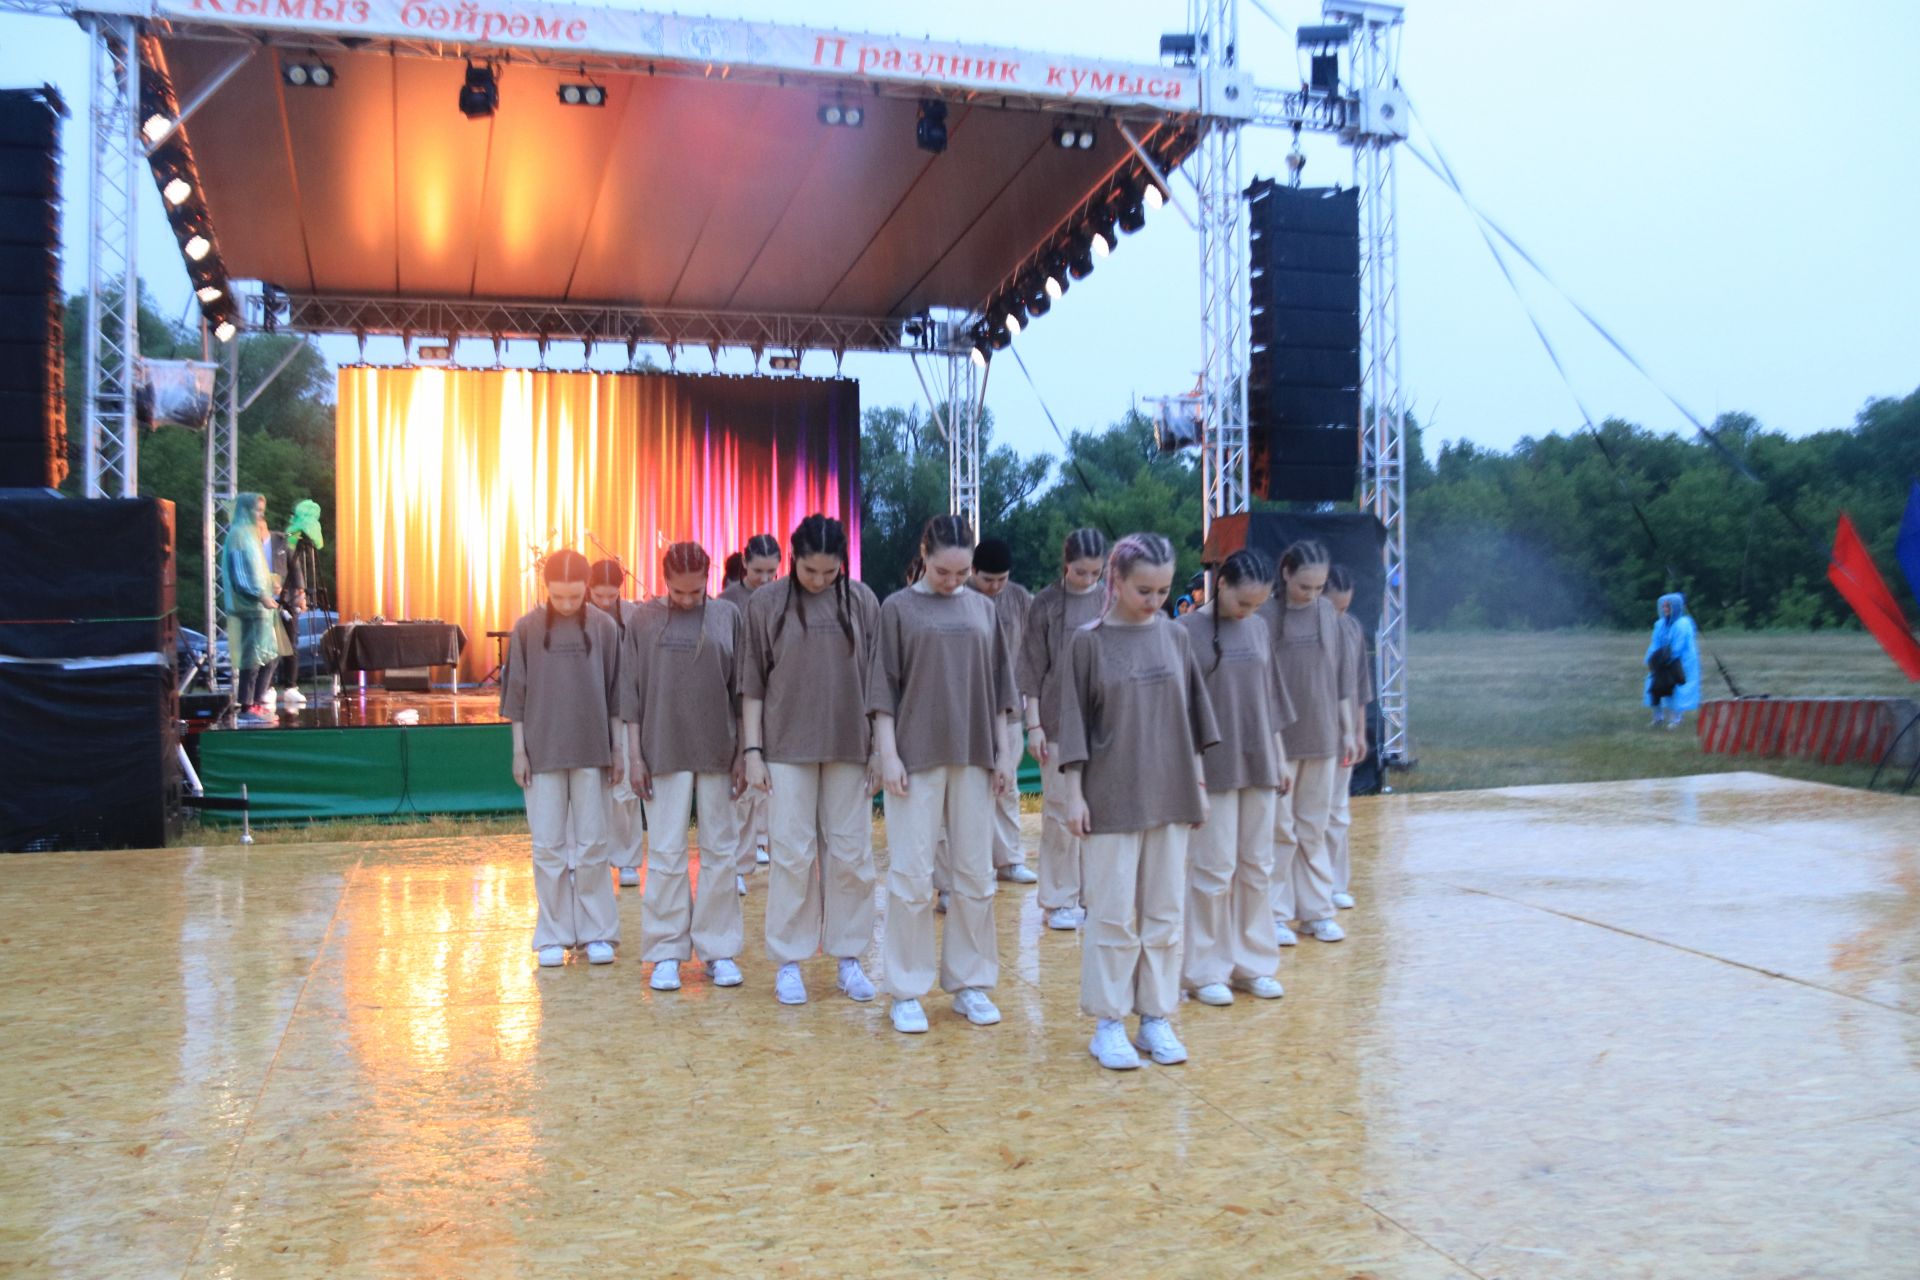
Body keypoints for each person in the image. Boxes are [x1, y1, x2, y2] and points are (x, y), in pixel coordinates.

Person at [1057, 533, 1220, 1070]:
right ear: (1116, 582)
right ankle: (1109, 1022)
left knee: (1165, 911)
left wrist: (1198, 786)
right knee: (1111, 913)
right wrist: (1075, 796)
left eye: (1163, 591)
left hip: (1171, 794)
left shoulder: (1176, 639)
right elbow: (1074, 727)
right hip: (1110, 797)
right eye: (1144, 590)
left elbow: (1193, 721)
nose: (1154, 601)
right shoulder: (1088, 642)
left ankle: (1155, 1017)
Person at [869, 516, 1021, 1034]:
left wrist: (1003, 755)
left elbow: (1001, 690)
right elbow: (882, 691)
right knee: (911, 877)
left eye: (962, 572)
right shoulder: (897, 609)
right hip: (915, 757)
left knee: (975, 877)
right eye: (942, 571)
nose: (953, 581)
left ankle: (971, 982)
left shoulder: (983, 608)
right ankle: (906, 988)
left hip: (975, 755)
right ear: (924, 554)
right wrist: (887, 755)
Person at [740, 514, 881, 1007]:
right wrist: (752, 751)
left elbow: (880, 681)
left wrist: (882, 747)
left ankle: (849, 957)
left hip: (851, 745)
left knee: (851, 854)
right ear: (792, 559)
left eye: (829, 571)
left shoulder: (862, 600)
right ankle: (789, 961)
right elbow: (753, 684)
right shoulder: (765, 604)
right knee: (792, 855)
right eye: (810, 571)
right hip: (785, 747)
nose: (820, 580)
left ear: (843, 563)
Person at [625, 542, 748, 993]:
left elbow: (741, 692)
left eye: (697, 591)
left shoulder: (728, 617)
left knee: (720, 852)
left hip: (718, 748)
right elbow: (630, 695)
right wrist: (634, 756)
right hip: (662, 748)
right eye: (679, 592)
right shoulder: (642, 620)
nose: (689, 599)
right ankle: (665, 951)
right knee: (665, 854)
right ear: (664, 582)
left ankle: (718, 950)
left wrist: (744, 752)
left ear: (709, 581)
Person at [1178, 549, 1293, 1007]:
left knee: (1257, 867)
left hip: (1260, 760)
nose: (1249, 612)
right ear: (1219, 584)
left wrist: (1279, 756)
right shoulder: (1184, 631)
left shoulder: (1260, 629)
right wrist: (1192, 772)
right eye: (1243, 602)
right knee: (1212, 869)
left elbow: (1269, 697)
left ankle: (1253, 964)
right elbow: (1179, 709)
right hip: (1212, 765)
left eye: (1258, 604)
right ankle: (1204, 969)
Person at [503, 549, 624, 968]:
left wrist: (619, 749)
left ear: (586, 589)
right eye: (560, 597)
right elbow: (515, 697)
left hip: (592, 749)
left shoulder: (606, 628)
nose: (569, 604)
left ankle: (597, 931)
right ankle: (553, 931)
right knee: (548, 846)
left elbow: (616, 694)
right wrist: (520, 751)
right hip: (543, 750)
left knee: (593, 844)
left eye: (575, 596)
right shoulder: (526, 630)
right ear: (546, 589)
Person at [1260, 541, 1357, 947]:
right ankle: (1276, 913)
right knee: (1280, 831)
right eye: (1305, 587)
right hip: (1279, 740)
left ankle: (1316, 911)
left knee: (1313, 829)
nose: (1313, 595)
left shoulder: (1327, 616)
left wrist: (1348, 729)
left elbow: (1339, 680)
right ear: (1286, 574)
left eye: (1318, 588)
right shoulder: (1263, 616)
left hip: (1322, 738)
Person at [1018, 528, 1110, 931]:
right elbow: (1032, 666)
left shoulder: (1112, 597)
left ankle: (1098, 895)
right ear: (1065, 564)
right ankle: (1057, 899)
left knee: (1102, 812)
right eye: (1081, 572)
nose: (1088, 579)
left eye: (1096, 572)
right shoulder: (1046, 603)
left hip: (1104, 720)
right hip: (1055, 719)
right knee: (1058, 812)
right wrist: (1033, 724)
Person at [963, 537, 1038, 886]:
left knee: (1006, 786)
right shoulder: (959, 597)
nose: (994, 587)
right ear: (972, 571)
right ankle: (972, 866)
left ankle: (1008, 860)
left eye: (1001, 579)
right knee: (969, 790)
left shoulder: (1021, 598)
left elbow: (1035, 649)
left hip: (1009, 709)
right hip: (967, 710)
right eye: (987, 579)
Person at [723, 534, 782, 889]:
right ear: (744, 564)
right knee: (742, 790)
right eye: (758, 570)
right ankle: (739, 865)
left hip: (775, 701)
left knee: (775, 789)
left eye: (771, 571)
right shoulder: (728, 601)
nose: (764, 578)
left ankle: (779, 855)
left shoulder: (783, 598)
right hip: (737, 702)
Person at [589, 558, 646, 889]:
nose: (605, 601)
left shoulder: (634, 616)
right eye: (599, 595)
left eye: (611, 596)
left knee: (625, 789)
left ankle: (627, 859)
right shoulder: (579, 616)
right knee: (588, 788)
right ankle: (586, 857)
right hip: (589, 708)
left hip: (624, 706)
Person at [1325, 566, 1371, 911]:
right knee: (1303, 818)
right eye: (1333, 608)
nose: (1340, 616)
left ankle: (1335, 883)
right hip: (1307, 736)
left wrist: (1358, 731)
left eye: (1345, 608)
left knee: (1338, 812)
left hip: (1341, 736)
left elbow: (1358, 687)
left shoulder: (1353, 629)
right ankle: (1302, 892)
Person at [219, 493, 277, 725]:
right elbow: (240, 574)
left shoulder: (249, 536)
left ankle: (256, 701)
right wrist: (259, 594)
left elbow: (257, 570)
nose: (260, 516)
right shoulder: (239, 536)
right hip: (251, 607)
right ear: (245, 510)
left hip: (261, 607)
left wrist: (272, 583)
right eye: (256, 511)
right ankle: (247, 705)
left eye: (262, 512)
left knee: (270, 656)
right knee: (254, 657)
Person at [274, 500, 324, 709]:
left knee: (291, 643)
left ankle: (290, 687)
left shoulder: (289, 543)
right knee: (270, 646)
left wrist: (300, 594)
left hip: (287, 600)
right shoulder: (277, 541)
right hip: (268, 597)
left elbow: (295, 570)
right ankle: (266, 689)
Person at [1644, 592, 1700, 729]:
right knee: (1653, 686)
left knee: (1676, 689)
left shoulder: (1682, 624)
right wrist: (1651, 660)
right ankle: (1657, 717)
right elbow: (1655, 643)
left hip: (1681, 662)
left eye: (1668, 606)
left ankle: (1676, 719)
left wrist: (1666, 659)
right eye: (1663, 606)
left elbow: (1678, 647)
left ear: (1675, 607)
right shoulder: (1660, 624)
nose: (1665, 609)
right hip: (1662, 660)